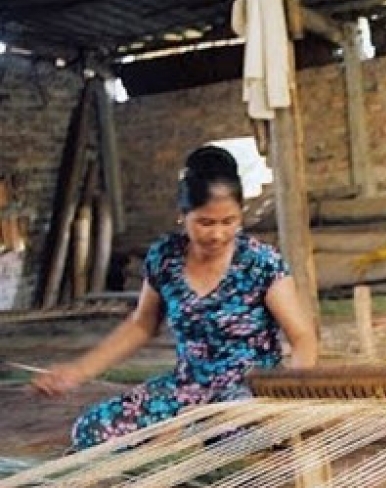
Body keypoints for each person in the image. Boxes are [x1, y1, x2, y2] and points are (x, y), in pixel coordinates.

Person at [32, 145, 319, 451]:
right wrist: (79, 371)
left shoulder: (262, 262)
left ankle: (194, 432)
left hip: (249, 390)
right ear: (183, 216)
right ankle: (184, 431)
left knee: (224, 434)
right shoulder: (165, 258)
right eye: (206, 223)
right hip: (188, 386)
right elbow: (141, 325)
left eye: (229, 221)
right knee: (92, 430)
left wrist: (290, 398)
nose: (218, 234)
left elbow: (302, 337)